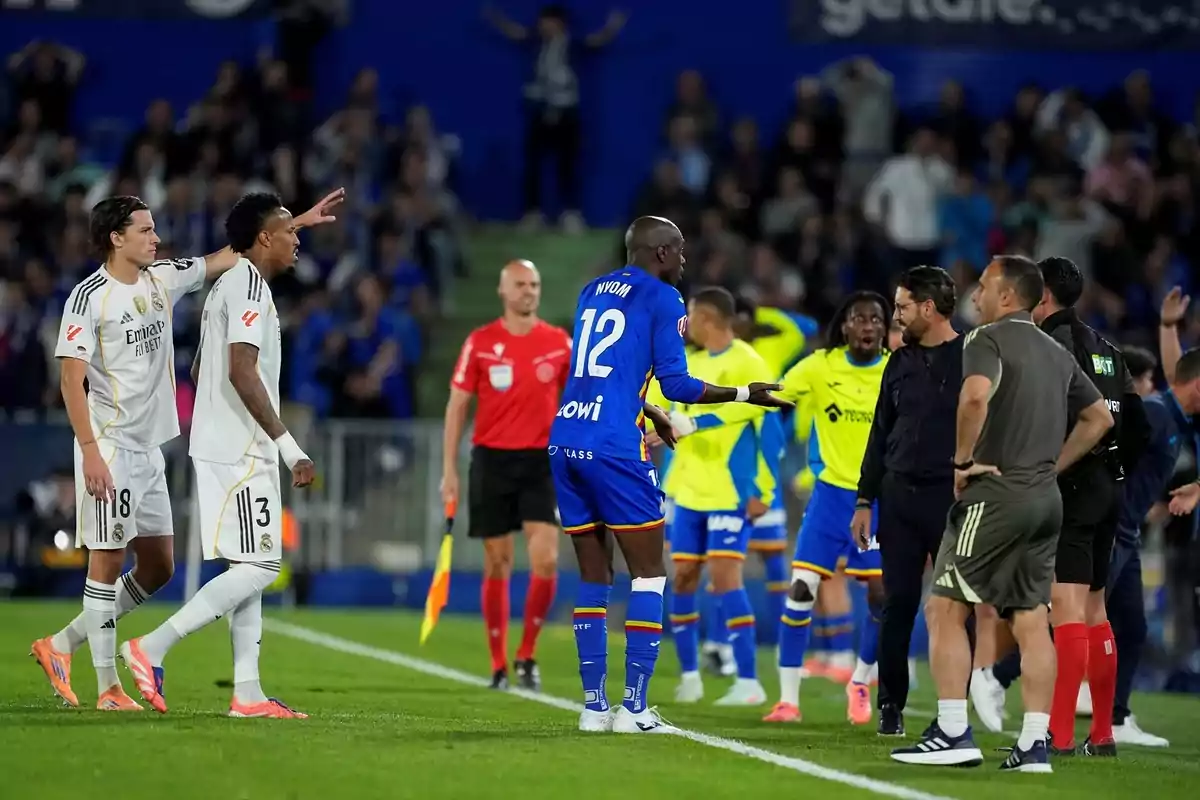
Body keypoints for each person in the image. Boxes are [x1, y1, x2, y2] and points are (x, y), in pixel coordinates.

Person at [29, 189, 341, 710]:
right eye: (145, 230)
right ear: (116, 238)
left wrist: (295, 223)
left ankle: (62, 644)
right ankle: (108, 686)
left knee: (158, 567)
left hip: (151, 446)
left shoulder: (162, 279)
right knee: (106, 561)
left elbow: (234, 254)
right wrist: (89, 450)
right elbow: (70, 381)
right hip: (108, 443)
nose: (156, 237)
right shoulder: (88, 299)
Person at [547, 215, 790, 734]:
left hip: (567, 436)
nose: (684, 260)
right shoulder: (663, 298)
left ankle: (593, 708)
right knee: (650, 576)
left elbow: (601, 370)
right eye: (679, 250)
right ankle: (633, 709)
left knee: (593, 576)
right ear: (659, 253)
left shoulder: (593, 289)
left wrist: (650, 412)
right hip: (614, 447)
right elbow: (677, 383)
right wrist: (746, 392)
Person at [891, 255, 1113, 772]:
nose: (975, 296)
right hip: (1044, 501)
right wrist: (1051, 466)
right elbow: (1100, 417)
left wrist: (963, 462)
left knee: (944, 606)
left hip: (993, 495)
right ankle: (1035, 744)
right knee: (1033, 620)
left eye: (984, 286)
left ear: (1008, 296)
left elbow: (973, 398)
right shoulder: (1057, 352)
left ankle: (951, 732)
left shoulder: (984, 340)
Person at [120, 192, 322, 717]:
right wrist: (290, 448)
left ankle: (248, 693)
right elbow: (240, 369)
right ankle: (153, 646)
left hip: (222, 441)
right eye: (289, 232)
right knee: (262, 564)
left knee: (247, 564)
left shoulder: (226, 287)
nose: (297, 240)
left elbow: (201, 370)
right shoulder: (251, 286)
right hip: (241, 447)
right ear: (263, 239)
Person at [971, 256, 1147, 754]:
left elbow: (1057, 417)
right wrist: (1116, 471)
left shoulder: (1051, 346)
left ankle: (1062, 733)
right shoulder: (1110, 350)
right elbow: (1138, 426)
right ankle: (1104, 734)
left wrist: (1052, 468)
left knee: (1064, 610)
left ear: (1041, 296)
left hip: (1072, 489)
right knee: (1096, 609)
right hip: (1111, 490)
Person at [442, 259, 572, 690]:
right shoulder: (480, 342)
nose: (528, 291)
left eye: (534, 284)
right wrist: (449, 471)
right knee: (497, 563)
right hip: (492, 461)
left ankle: (527, 654)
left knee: (547, 559)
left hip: (541, 463)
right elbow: (458, 406)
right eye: (520, 284)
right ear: (502, 290)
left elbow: (578, 402)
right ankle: (498, 663)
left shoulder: (558, 343)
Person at [763, 291, 890, 726]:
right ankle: (787, 701)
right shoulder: (820, 366)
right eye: (859, 319)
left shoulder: (895, 370)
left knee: (880, 598)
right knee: (800, 592)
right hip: (831, 495)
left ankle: (859, 680)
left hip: (875, 500)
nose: (868, 326)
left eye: (876, 319)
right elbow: (779, 395)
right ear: (845, 326)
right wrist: (737, 402)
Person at [853, 266, 962, 736]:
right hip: (898, 496)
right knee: (897, 604)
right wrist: (864, 500)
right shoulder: (898, 362)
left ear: (928, 307)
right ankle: (890, 705)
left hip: (950, 498)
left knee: (958, 605)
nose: (894, 316)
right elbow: (880, 434)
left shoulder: (973, 357)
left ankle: (955, 709)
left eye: (900, 307)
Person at [653, 286, 774, 707]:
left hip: (728, 491)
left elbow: (761, 418)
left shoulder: (749, 361)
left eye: (691, 316)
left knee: (726, 580)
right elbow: (657, 405)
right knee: (683, 578)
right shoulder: (689, 362)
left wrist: (765, 489)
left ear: (706, 318)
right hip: (685, 490)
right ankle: (689, 676)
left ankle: (748, 680)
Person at [1099, 345, 1178, 747]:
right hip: (1113, 529)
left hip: (1127, 530)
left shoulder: (1166, 415)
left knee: (1130, 626)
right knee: (1079, 619)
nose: (1151, 386)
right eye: (1146, 379)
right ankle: (1000, 675)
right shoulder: (1154, 412)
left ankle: (1116, 716)